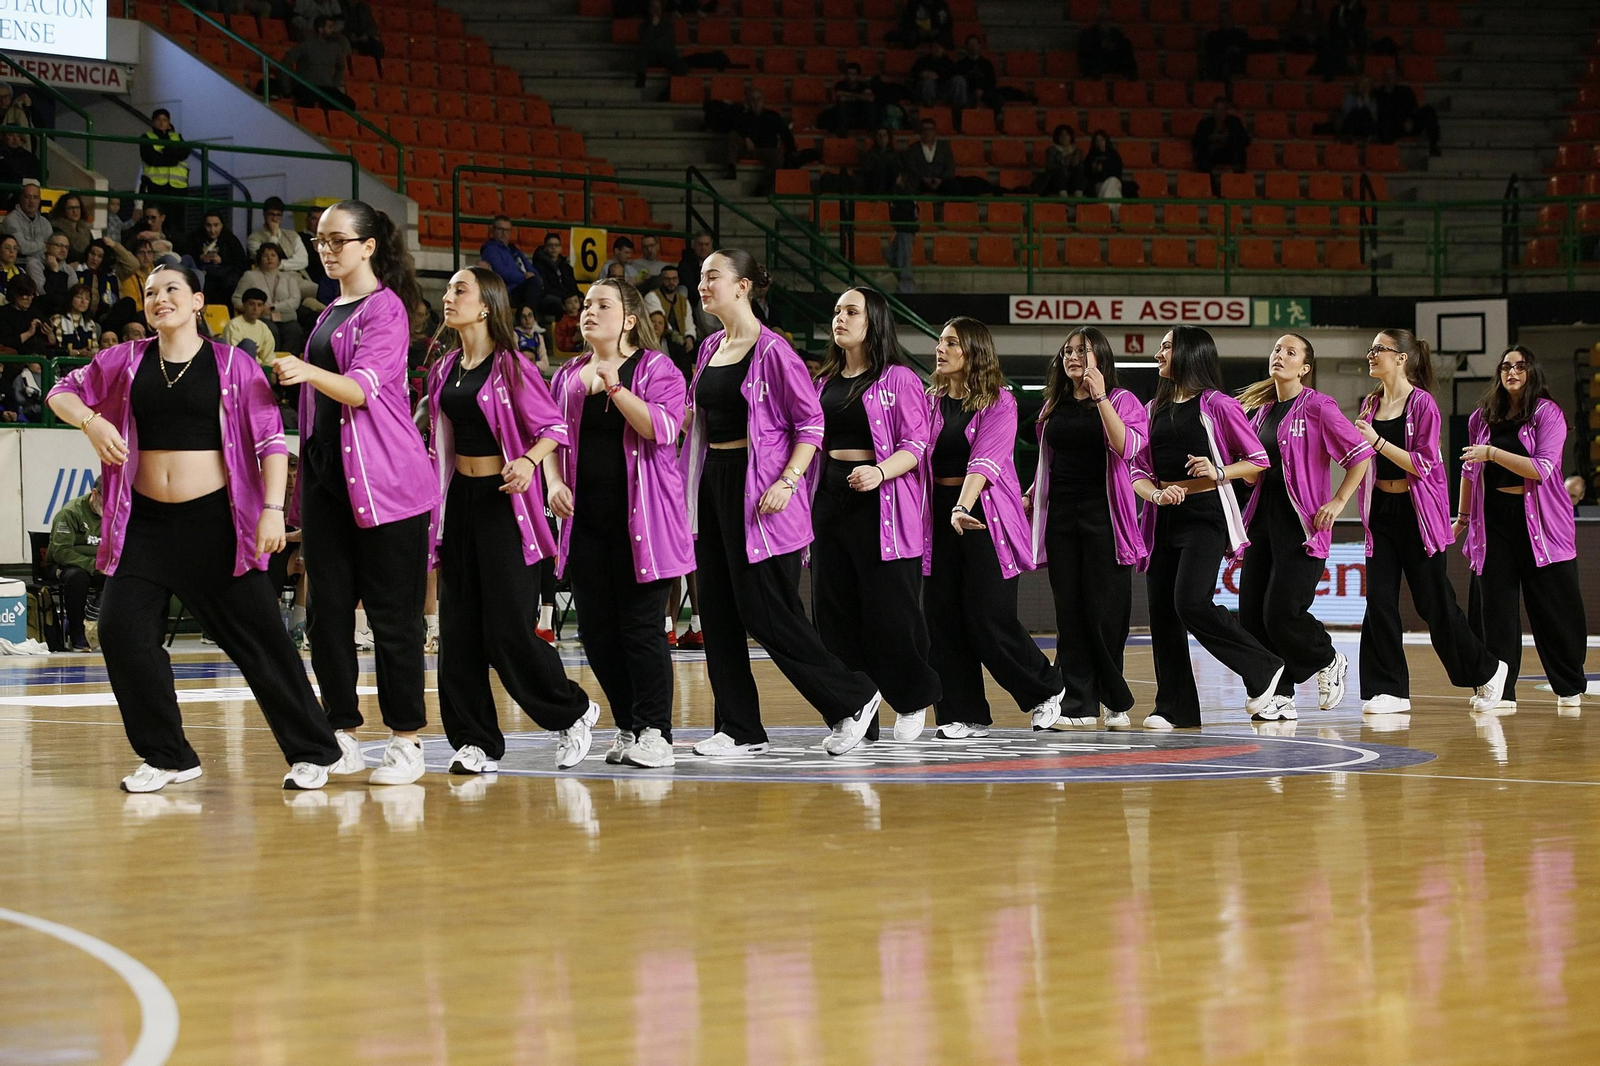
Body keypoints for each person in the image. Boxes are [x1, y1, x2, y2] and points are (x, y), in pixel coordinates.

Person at [46, 264, 347, 792]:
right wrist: (92, 422)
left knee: (262, 641)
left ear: (196, 302)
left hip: (217, 526)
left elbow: (272, 442)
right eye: (152, 293)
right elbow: (61, 392)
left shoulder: (234, 365)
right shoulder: (124, 361)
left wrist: (273, 509)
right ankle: (168, 757)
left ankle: (314, 750)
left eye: (172, 290)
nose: (160, 298)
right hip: (143, 525)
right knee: (121, 632)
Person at [685, 249, 883, 756]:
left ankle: (853, 698)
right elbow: (699, 420)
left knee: (767, 613)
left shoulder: (775, 352)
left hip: (762, 495)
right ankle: (739, 728)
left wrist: (788, 480)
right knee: (718, 610)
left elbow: (810, 424)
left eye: (713, 276)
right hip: (712, 484)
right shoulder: (709, 346)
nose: (702, 284)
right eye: (701, 277)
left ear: (744, 285)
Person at [273, 199, 441, 786]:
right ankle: (339, 733)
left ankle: (406, 739)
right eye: (320, 240)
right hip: (326, 481)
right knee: (326, 615)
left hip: (385, 482)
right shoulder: (327, 313)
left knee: (394, 618)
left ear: (369, 247)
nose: (326, 249)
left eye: (338, 240)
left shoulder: (386, 309)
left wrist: (305, 372)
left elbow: (364, 388)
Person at [425, 266, 599, 774]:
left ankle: (572, 711)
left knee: (507, 629)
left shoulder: (513, 367)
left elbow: (553, 427)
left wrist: (528, 461)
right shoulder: (443, 368)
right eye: (449, 288)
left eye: (460, 290)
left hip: (505, 502)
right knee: (456, 630)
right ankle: (475, 740)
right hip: (459, 501)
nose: (448, 297)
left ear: (486, 306)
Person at [545, 278, 690, 768]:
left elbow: (664, 429)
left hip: (644, 522)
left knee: (641, 628)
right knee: (596, 631)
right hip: (584, 521)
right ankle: (628, 724)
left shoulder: (657, 368)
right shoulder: (566, 375)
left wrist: (615, 386)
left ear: (629, 319)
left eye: (602, 305)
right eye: (586, 305)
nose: (589, 312)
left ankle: (657, 732)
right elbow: (548, 435)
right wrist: (552, 481)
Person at [1128, 326, 1285, 730]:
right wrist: (1155, 495)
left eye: (1166, 346)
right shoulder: (1151, 409)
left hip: (1206, 515)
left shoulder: (1216, 404)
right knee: (1162, 614)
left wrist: (1218, 471)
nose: (1158, 353)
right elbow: (1138, 471)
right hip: (1162, 517)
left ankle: (1263, 666)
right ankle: (1173, 707)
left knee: (1190, 602)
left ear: (1188, 354)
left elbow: (1256, 462)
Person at [1351, 328, 1507, 714]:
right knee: (1379, 602)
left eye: (1379, 349)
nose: (1371, 355)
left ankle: (1487, 671)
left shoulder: (1423, 405)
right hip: (1381, 513)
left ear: (1401, 358)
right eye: (1370, 349)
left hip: (1417, 513)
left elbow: (1422, 463)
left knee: (1434, 603)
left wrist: (1378, 442)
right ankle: (1388, 690)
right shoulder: (1370, 404)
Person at [809, 288, 942, 740]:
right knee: (833, 614)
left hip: (883, 505)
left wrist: (879, 473)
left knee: (891, 612)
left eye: (851, 311)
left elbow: (917, 445)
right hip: (830, 504)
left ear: (874, 322)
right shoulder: (823, 380)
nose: (839, 318)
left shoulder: (899, 379)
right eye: (836, 311)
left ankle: (912, 697)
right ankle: (855, 708)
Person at [921, 317, 1063, 737]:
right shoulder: (929, 401)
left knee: (988, 618)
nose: (940, 349)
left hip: (984, 515)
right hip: (940, 517)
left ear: (974, 352)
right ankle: (963, 714)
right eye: (940, 341)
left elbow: (985, 460)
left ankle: (1045, 689)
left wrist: (962, 505)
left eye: (951, 343)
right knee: (941, 618)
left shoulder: (999, 402)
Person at [1235, 334, 1373, 720]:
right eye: (1277, 349)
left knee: (1282, 612)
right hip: (1262, 522)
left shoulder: (1319, 407)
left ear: (1305, 368)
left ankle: (1329, 659)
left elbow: (1359, 456)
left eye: (1290, 352)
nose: (1280, 355)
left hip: (1302, 525)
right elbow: (1258, 468)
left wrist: (1338, 501)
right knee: (1251, 614)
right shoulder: (1261, 412)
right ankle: (1280, 695)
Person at [1022, 327, 1147, 727]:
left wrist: (1100, 397)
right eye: (1068, 351)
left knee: (1105, 611)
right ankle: (1078, 703)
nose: (1072, 356)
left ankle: (1113, 699)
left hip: (1106, 517)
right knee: (1070, 611)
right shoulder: (1052, 405)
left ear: (1101, 358)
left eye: (1083, 351)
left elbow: (1127, 447)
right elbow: (1049, 459)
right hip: (1061, 517)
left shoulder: (1123, 400)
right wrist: (1030, 492)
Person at [1456, 346, 1585, 711]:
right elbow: (1469, 470)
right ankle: (1500, 689)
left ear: (1532, 372)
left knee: (1554, 607)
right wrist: (1463, 519)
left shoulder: (1547, 413)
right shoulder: (1482, 419)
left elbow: (1542, 469)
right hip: (1493, 518)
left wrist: (1493, 454)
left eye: (1520, 366)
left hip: (1542, 522)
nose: (1512, 371)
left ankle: (1570, 685)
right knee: (1494, 607)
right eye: (1506, 366)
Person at [48, 480, 103, 651]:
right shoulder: (71, 513)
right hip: (63, 565)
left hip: (98, 563)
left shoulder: (116, 514)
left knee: (121, 575)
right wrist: (93, 564)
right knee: (77, 577)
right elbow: (61, 552)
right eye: (106, 499)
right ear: (95, 493)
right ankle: (76, 632)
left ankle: (102, 626)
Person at [233, 244, 305, 355]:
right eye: (265, 256)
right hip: (261, 318)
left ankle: (289, 364)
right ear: (259, 259)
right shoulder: (250, 276)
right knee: (270, 330)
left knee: (294, 330)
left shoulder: (289, 278)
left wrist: (273, 307)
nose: (269, 258)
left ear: (279, 260)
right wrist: (255, 309)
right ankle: (271, 364)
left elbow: (295, 301)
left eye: (273, 255)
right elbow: (236, 299)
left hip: (286, 318)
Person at [728, 86, 797, 193]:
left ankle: (763, 186)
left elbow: (785, 133)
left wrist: (792, 150)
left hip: (767, 151)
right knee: (732, 135)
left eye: (758, 99)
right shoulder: (743, 117)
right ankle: (731, 169)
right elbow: (734, 128)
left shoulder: (772, 116)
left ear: (763, 100)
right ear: (748, 102)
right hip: (748, 150)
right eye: (752, 99)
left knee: (778, 157)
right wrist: (745, 137)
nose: (756, 102)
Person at [283, 16, 355, 109]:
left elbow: (341, 67)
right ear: (320, 29)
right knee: (307, 101)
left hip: (327, 88)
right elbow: (287, 61)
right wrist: (287, 88)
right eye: (330, 27)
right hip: (307, 85)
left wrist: (335, 84)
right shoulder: (307, 44)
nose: (333, 30)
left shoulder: (335, 48)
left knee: (349, 104)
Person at [183, 210, 249, 307]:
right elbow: (186, 256)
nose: (212, 230)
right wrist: (199, 258)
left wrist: (222, 260)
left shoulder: (230, 240)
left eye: (216, 225)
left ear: (222, 225)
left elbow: (241, 262)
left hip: (222, 280)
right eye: (208, 226)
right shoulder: (195, 238)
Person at [138, 110, 192, 227]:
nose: (162, 123)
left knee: (177, 224)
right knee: (154, 223)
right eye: (158, 120)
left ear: (169, 123)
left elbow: (185, 152)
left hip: (178, 188)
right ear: (153, 122)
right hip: (155, 187)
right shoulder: (147, 137)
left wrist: (167, 151)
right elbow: (151, 158)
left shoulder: (177, 137)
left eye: (165, 120)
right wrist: (173, 158)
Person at [1374, 67, 1441, 157]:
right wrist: (1401, 122)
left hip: (1409, 124)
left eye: (1392, 75)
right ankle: (1388, 156)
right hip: (1392, 127)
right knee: (1384, 126)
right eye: (1387, 75)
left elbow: (1414, 107)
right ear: (1383, 77)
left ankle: (1433, 146)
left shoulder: (1405, 91)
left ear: (1396, 77)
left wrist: (1410, 119)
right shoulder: (1378, 94)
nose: (1390, 78)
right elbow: (1381, 113)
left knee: (1428, 110)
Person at [479, 216, 543, 309]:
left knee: (551, 301)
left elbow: (530, 268)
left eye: (507, 230)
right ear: (493, 231)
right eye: (500, 229)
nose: (504, 233)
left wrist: (533, 276)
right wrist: (525, 277)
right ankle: (527, 313)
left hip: (525, 287)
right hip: (508, 292)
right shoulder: (490, 250)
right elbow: (502, 272)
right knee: (533, 283)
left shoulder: (514, 250)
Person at [1191, 97, 1251, 178]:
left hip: (1229, 151)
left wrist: (1228, 137)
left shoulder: (1234, 122)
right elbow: (1195, 142)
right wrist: (1210, 138)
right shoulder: (1205, 123)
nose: (1219, 113)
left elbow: (1245, 140)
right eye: (1216, 110)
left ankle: (1238, 179)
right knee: (1202, 154)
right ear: (1213, 110)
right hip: (1211, 152)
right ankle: (1208, 183)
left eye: (1222, 110)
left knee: (1239, 151)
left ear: (1226, 111)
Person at [643, 263, 697, 350]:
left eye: (674, 279)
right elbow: (662, 323)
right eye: (667, 279)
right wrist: (678, 338)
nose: (671, 282)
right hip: (662, 339)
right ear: (661, 280)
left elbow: (689, 323)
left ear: (678, 280)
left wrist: (689, 337)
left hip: (681, 342)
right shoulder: (652, 296)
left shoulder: (683, 300)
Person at [0, 276, 56, 355]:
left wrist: (50, 333)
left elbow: (52, 343)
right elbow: (8, 343)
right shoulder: (3, 314)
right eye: (25, 295)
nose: (30, 298)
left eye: (32, 295)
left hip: (40, 356)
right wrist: (29, 333)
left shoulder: (35, 312)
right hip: (17, 359)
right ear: (14, 294)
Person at [2, 180, 53, 268]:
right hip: (18, 265)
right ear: (21, 198)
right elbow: (22, 248)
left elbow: (53, 248)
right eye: (27, 197)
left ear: (39, 200)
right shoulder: (11, 220)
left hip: (44, 264)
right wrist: (44, 246)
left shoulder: (45, 222)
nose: (31, 201)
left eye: (35, 197)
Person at [222, 288, 277, 365]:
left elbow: (268, 357)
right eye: (251, 304)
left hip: (257, 368)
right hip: (238, 366)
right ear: (244, 305)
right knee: (248, 344)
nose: (255, 309)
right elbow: (234, 354)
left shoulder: (263, 327)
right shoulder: (234, 325)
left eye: (259, 305)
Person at [28, 232, 79, 315]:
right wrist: (54, 271)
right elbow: (43, 292)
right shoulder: (35, 264)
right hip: (41, 310)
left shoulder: (69, 270)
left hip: (63, 310)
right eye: (59, 245)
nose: (63, 250)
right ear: (47, 247)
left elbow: (74, 295)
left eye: (66, 247)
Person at [531, 232, 579, 317]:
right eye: (550, 245)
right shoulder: (539, 266)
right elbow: (545, 288)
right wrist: (566, 298)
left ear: (560, 248)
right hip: (549, 298)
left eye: (556, 245)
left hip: (566, 297)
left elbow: (573, 286)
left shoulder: (566, 267)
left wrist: (578, 296)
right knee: (563, 304)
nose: (553, 248)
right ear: (545, 248)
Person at [1077, 14, 1137, 80]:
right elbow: (1085, 52)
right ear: (1098, 21)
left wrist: (1113, 47)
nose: (1106, 22)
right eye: (1103, 19)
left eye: (1108, 20)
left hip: (1114, 64)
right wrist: (1101, 46)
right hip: (1096, 66)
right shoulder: (1088, 34)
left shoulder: (1118, 35)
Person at [903, 117, 955, 194]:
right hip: (920, 182)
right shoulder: (913, 148)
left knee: (954, 185)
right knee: (910, 183)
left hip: (941, 182)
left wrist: (941, 180)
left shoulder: (944, 147)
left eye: (930, 130)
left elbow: (950, 167)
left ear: (935, 131)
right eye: (924, 130)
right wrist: (923, 179)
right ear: (920, 132)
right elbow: (911, 168)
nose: (927, 133)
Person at [911, 40, 967, 110]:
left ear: (943, 49)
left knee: (959, 79)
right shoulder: (923, 60)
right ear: (931, 49)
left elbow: (952, 75)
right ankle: (929, 107)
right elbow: (914, 72)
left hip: (943, 90)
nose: (937, 49)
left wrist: (938, 77)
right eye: (935, 47)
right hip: (925, 90)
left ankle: (959, 109)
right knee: (929, 81)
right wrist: (923, 74)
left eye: (939, 47)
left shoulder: (948, 63)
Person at [829, 63, 880, 136]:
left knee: (871, 105)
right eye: (848, 73)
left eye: (853, 74)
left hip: (860, 113)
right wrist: (861, 97)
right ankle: (843, 130)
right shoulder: (841, 84)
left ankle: (872, 130)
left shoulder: (863, 85)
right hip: (847, 114)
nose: (850, 76)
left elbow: (870, 98)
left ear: (857, 75)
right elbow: (840, 97)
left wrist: (848, 96)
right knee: (841, 105)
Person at [1034, 124, 1084, 196]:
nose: (1064, 137)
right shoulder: (1051, 150)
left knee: (1078, 171)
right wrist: (1063, 161)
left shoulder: (1077, 151)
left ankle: (1078, 193)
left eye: (1066, 134)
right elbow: (1050, 167)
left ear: (1070, 136)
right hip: (1056, 182)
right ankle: (1062, 194)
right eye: (1061, 135)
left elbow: (1081, 167)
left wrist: (1075, 163)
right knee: (1058, 171)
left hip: (1071, 182)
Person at [51, 284, 100, 357]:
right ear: (71, 299)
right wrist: (77, 353)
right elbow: (57, 347)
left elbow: (95, 348)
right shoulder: (58, 319)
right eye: (79, 297)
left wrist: (92, 353)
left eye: (87, 298)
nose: (83, 301)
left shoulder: (90, 323)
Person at [1202, 13, 1253, 82]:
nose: (1226, 23)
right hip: (1218, 62)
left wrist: (1235, 50)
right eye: (1223, 21)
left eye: (1228, 21)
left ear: (1232, 22)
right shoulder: (1213, 36)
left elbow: (1245, 48)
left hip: (1236, 62)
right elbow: (1209, 49)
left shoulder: (1240, 35)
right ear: (1220, 23)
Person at [0, 130, 40, 209]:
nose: (15, 139)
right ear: (3, 137)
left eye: (18, 135)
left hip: (22, 191)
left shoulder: (28, 156)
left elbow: (41, 173)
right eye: (10, 134)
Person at [1083, 130, 1124, 202]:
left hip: (1114, 182)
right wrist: (1095, 170)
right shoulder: (1091, 157)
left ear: (1106, 140)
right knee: (1113, 194)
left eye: (1101, 140)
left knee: (1112, 182)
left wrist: (1104, 169)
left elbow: (1118, 171)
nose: (1099, 142)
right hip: (1099, 183)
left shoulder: (1114, 155)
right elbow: (1087, 174)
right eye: (1097, 140)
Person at [50, 194, 94, 259]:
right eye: (71, 208)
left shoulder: (85, 230)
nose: (75, 211)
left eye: (77, 207)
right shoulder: (57, 230)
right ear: (63, 209)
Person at [513, 304, 551, 373]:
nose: (527, 319)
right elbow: (513, 362)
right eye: (523, 316)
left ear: (534, 318)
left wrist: (533, 364)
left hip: (535, 374)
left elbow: (545, 365)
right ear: (519, 319)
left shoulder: (539, 337)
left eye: (530, 315)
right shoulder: (515, 335)